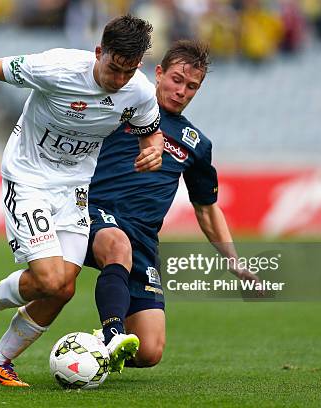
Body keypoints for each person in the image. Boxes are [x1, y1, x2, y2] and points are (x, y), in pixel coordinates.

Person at [0, 15, 163, 386]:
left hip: (75, 189)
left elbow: (150, 133)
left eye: (128, 71)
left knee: (63, 287)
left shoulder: (139, 92)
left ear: (137, 65)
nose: (118, 79)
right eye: (113, 68)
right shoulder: (58, 68)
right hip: (28, 178)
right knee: (47, 278)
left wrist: (152, 152)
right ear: (98, 52)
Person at [85, 39, 261, 372]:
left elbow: (206, 208)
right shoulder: (123, 105)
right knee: (107, 250)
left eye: (192, 86)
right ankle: (111, 334)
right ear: (160, 73)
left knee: (149, 351)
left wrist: (234, 261)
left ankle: (92, 346)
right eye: (176, 80)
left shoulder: (196, 143)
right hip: (94, 215)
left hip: (144, 240)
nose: (182, 90)